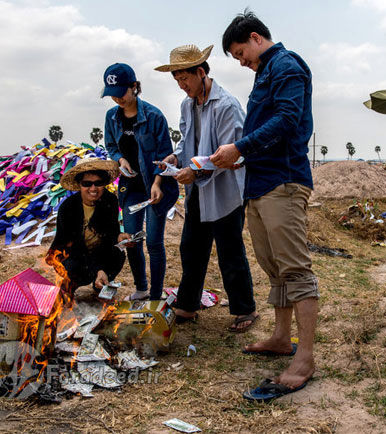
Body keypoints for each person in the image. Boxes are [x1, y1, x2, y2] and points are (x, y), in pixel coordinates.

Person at [211, 10, 318, 401]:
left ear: (256, 38)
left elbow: (289, 121)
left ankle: (304, 358)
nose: (241, 61)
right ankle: (280, 337)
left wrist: (241, 146)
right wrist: (242, 157)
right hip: (259, 183)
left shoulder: (286, 66)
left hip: (283, 182)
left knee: (294, 268)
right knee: (274, 267)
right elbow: (263, 130)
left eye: (241, 52)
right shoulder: (265, 73)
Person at [154, 44, 258, 332]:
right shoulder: (187, 105)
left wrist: (194, 169)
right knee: (191, 247)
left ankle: (244, 309)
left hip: (225, 189)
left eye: (184, 79)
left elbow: (229, 154)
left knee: (230, 251)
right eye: (177, 81)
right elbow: (186, 140)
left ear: (201, 72)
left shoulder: (227, 105)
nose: (182, 85)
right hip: (198, 189)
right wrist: (175, 158)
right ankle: (187, 305)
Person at [102, 63, 179, 301]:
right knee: (133, 240)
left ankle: (155, 295)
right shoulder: (111, 117)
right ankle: (141, 288)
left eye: (122, 92)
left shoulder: (154, 116)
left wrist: (157, 183)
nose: (117, 98)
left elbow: (166, 155)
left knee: (154, 242)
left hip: (156, 187)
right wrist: (120, 159)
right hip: (130, 189)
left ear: (135, 87)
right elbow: (111, 146)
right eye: (112, 94)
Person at [47, 158, 126, 296]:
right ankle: (70, 285)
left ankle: (101, 285)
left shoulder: (110, 201)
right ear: (79, 185)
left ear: (104, 184)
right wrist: (97, 270)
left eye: (98, 183)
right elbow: (71, 246)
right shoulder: (68, 208)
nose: (93, 189)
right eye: (87, 184)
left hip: (99, 251)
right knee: (72, 267)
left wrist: (120, 237)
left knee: (118, 254)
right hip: (73, 254)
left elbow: (110, 237)